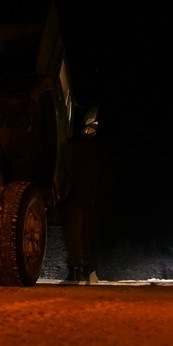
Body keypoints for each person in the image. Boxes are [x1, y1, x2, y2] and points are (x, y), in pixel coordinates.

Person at [63, 104, 100, 284]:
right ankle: (81, 270)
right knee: (78, 236)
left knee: (78, 235)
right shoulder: (85, 148)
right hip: (82, 197)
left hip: (80, 198)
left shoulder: (78, 147)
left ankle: (80, 270)